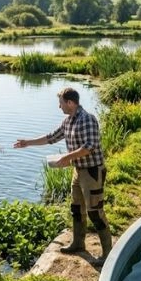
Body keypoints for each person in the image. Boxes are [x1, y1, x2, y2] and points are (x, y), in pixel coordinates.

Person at [14, 87, 112, 261]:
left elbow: (90, 147)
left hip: (92, 171)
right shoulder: (68, 121)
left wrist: (67, 157)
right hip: (78, 171)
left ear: (70, 103)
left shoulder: (87, 119)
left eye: (61, 103)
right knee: (76, 209)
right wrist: (27, 142)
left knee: (95, 212)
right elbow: (51, 137)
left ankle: (108, 254)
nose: (59, 107)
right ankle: (78, 244)